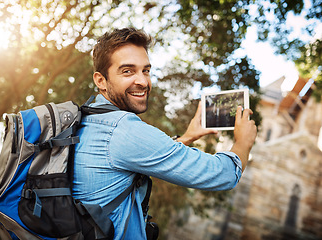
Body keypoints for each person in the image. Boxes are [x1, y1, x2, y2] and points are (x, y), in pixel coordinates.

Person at [72, 27, 257, 240]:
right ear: (101, 80)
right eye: (127, 71)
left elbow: (132, 156)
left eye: (146, 70)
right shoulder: (124, 130)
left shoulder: (87, 117)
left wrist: (186, 138)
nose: (143, 81)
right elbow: (223, 175)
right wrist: (244, 142)